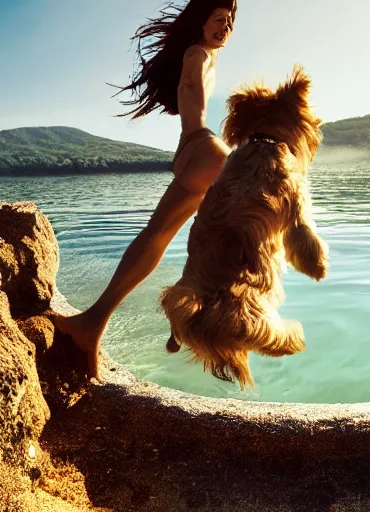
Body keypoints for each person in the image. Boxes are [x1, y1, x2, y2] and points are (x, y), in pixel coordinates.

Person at [52, 0, 237, 380]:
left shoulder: (199, 54)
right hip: (202, 149)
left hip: (199, 151)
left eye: (231, 22)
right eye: (219, 19)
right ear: (200, 24)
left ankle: (109, 321)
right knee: (183, 238)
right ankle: (175, 316)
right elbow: (191, 84)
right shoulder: (198, 53)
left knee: (160, 237)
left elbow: (191, 94)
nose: (226, 27)